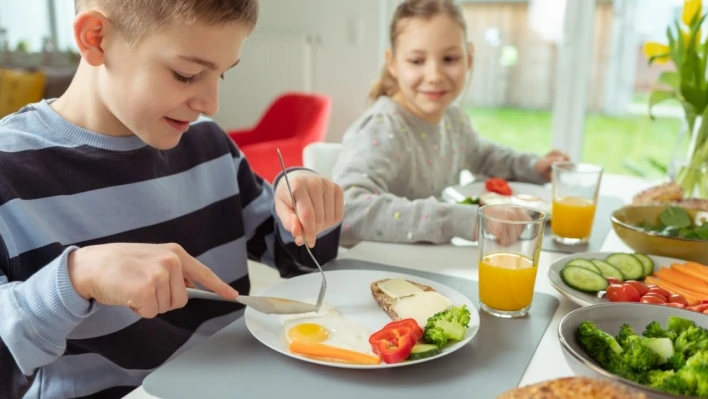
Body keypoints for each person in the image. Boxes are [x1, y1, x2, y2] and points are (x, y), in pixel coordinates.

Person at [0, 1, 343, 398]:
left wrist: (306, 202)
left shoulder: (209, 144)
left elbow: (295, 258)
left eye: (221, 75)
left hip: (246, 382)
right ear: (96, 38)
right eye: (187, 75)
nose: (210, 104)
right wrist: (76, 279)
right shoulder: (10, 171)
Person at [331, 0, 568, 248]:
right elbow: (349, 209)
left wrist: (535, 166)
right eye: (416, 60)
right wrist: (465, 221)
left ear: (469, 58)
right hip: (382, 274)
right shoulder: (383, 127)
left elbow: (484, 156)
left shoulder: (453, 119)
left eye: (449, 58)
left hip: (433, 267)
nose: (434, 76)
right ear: (393, 64)